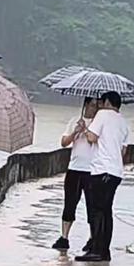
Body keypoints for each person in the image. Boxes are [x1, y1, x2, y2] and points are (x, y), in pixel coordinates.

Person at [75, 91, 129, 262]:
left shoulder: (103, 115)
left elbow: (91, 137)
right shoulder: (124, 122)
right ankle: (104, 250)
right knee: (107, 211)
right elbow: (124, 150)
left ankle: (97, 250)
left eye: (101, 101)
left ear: (107, 102)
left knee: (97, 210)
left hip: (101, 170)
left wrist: (85, 129)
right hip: (115, 172)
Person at [52, 97, 99, 251]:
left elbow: (94, 141)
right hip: (74, 168)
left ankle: (93, 238)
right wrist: (75, 132)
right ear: (85, 105)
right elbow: (64, 142)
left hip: (92, 170)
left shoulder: (98, 124)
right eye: (92, 105)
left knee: (92, 206)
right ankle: (64, 237)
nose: (95, 108)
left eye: (97, 105)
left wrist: (85, 130)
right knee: (70, 203)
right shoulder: (74, 121)